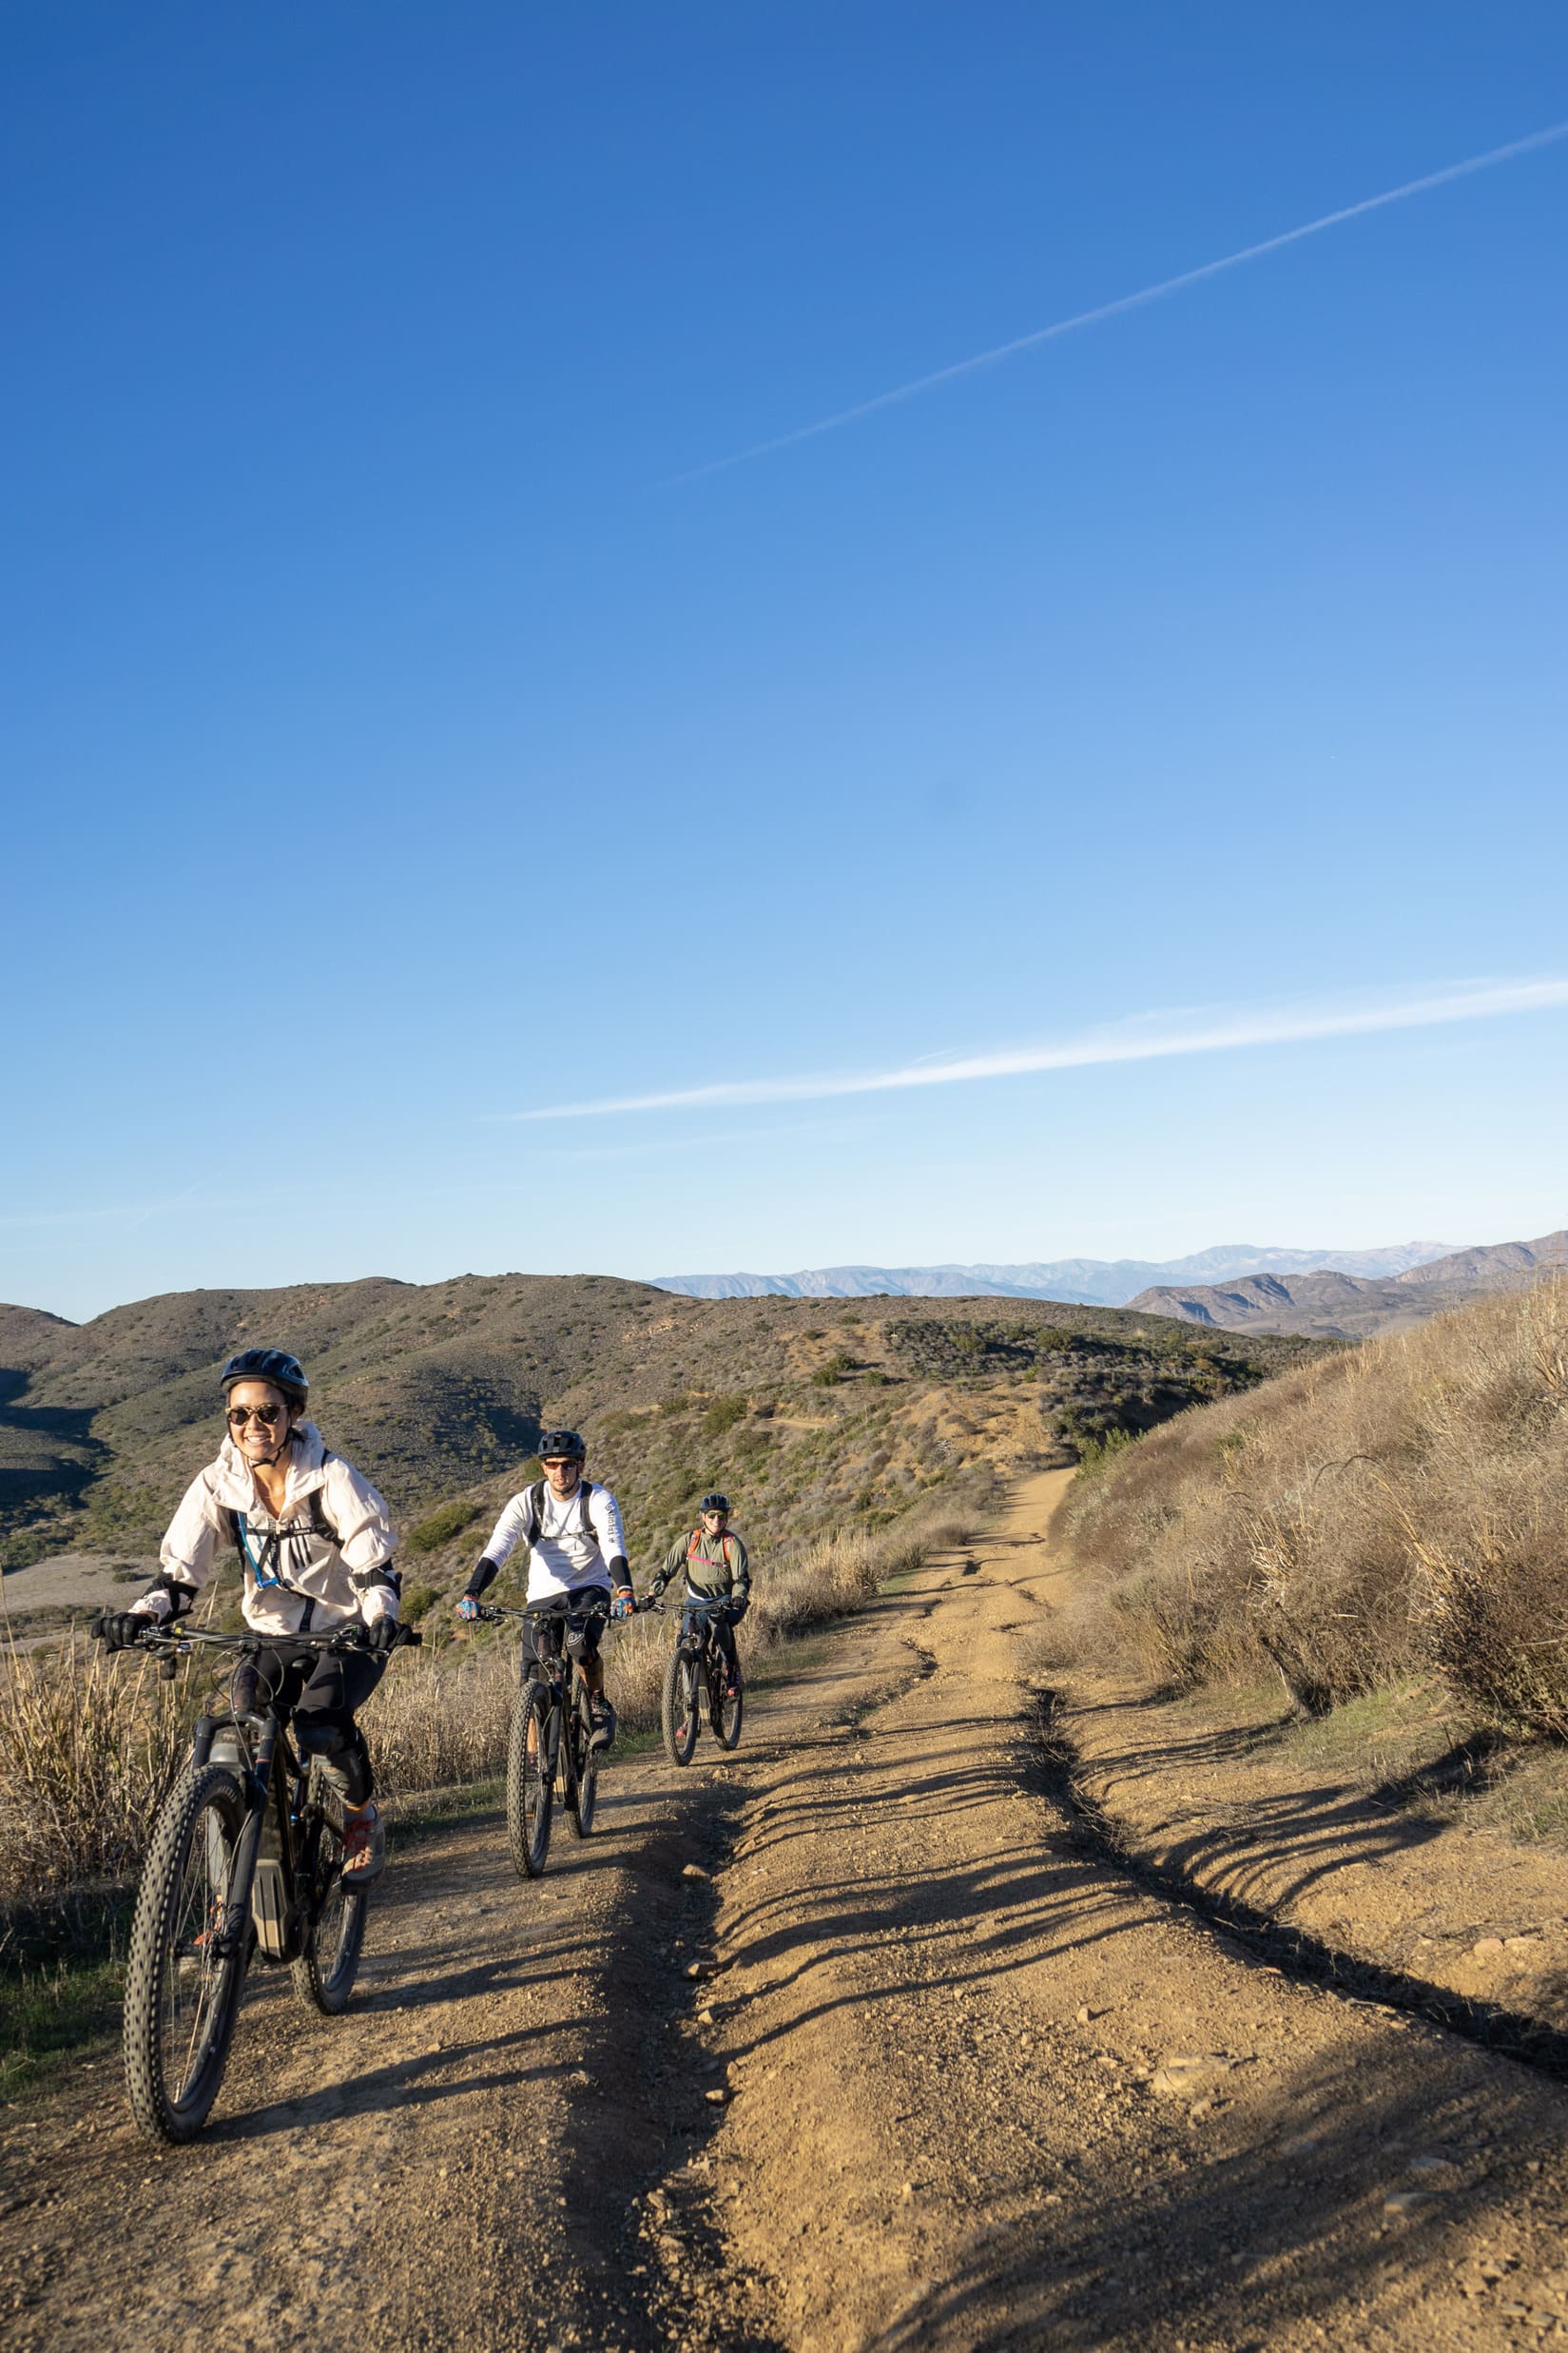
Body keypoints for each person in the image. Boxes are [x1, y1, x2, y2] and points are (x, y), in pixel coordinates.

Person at [93, 1347, 401, 1881]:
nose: (253, 1425)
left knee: (318, 1728)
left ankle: (360, 1816)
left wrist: (379, 1617)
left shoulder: (332, 1478)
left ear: (293, 1414)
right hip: (270, 1635)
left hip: (345, 1634)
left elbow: (372, 1560)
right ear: (228, 1420)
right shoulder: (218, 1484)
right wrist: (145, 1615)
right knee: (236, 1737)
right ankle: (235, 1889)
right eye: (239, 1414)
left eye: (267, 1412)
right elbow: (180, 1574)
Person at [456, 1429, 633, 1748]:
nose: (560, 1472)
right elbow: (497, 1550)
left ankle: (598, 1702)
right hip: (543, 1594)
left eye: (567, 1464)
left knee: (579, 1645)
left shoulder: (598, 1500)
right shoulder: (526, 1502)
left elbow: (613, 1546)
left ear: (580, 1465)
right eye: (552, 1465)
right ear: (543, 1467)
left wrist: (624, 1591)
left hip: (589, 1587)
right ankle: (534, 1763)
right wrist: (472, 1594)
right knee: (533, 1676)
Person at [647, 1492, 750, 1698]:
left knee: (719, 1625)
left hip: (724, 1599)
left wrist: (738, 1596)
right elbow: (667, 1571)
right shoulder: (690, 1540)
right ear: (703, 1517)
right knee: (688, 1640)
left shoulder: (731, 1543)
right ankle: (690, 1706)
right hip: (696, 1600)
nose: (716, 1520)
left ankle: (732, 1669)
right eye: (711, 1516)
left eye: (721, 1516)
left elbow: (741, 1578)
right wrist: (651, 1594)